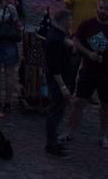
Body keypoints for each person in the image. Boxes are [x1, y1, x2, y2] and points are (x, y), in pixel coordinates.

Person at [65, 0, 108, 150]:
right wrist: (88, 53)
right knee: (78, 102)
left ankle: (103, 135)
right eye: (100, 8)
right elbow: (76, 40)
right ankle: (70, 132)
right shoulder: (88, 25)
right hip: (88, 71)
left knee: (105, 106)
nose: (102, 11)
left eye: (105, 9)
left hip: (107, 73)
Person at [44, 9, 76, 158]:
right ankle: (51, 144)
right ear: (64, 20)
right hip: (58, 81)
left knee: (57, 112)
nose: (71, 23)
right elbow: (55, 67)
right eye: (70, 20)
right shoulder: (55, 39)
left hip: (61, 78)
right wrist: (63, 86)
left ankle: (53, 141)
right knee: (55, 112)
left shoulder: (58, 35)